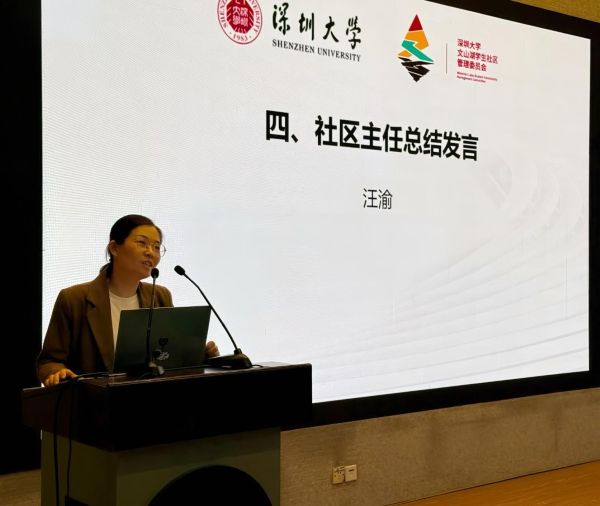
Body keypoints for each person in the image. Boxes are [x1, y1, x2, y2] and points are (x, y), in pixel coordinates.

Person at [37, 214, 219, 386]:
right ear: (114, 248)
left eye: (156, 247)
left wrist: (199, 354)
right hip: (96, 401)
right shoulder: (74, 299)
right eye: (142, 243)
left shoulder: (160, 295)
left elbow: (169, 355)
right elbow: (49, 361)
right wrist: (57, 372)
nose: (151, 252)